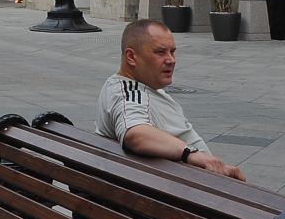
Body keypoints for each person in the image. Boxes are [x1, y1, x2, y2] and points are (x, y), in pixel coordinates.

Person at [96, 19, 246, 180]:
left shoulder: (134, 87)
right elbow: (136, 133)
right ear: (131, 57)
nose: (171, 60)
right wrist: (192, 154)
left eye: (172, 52)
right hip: (189, 194)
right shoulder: (129, 94)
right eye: (160, 52)